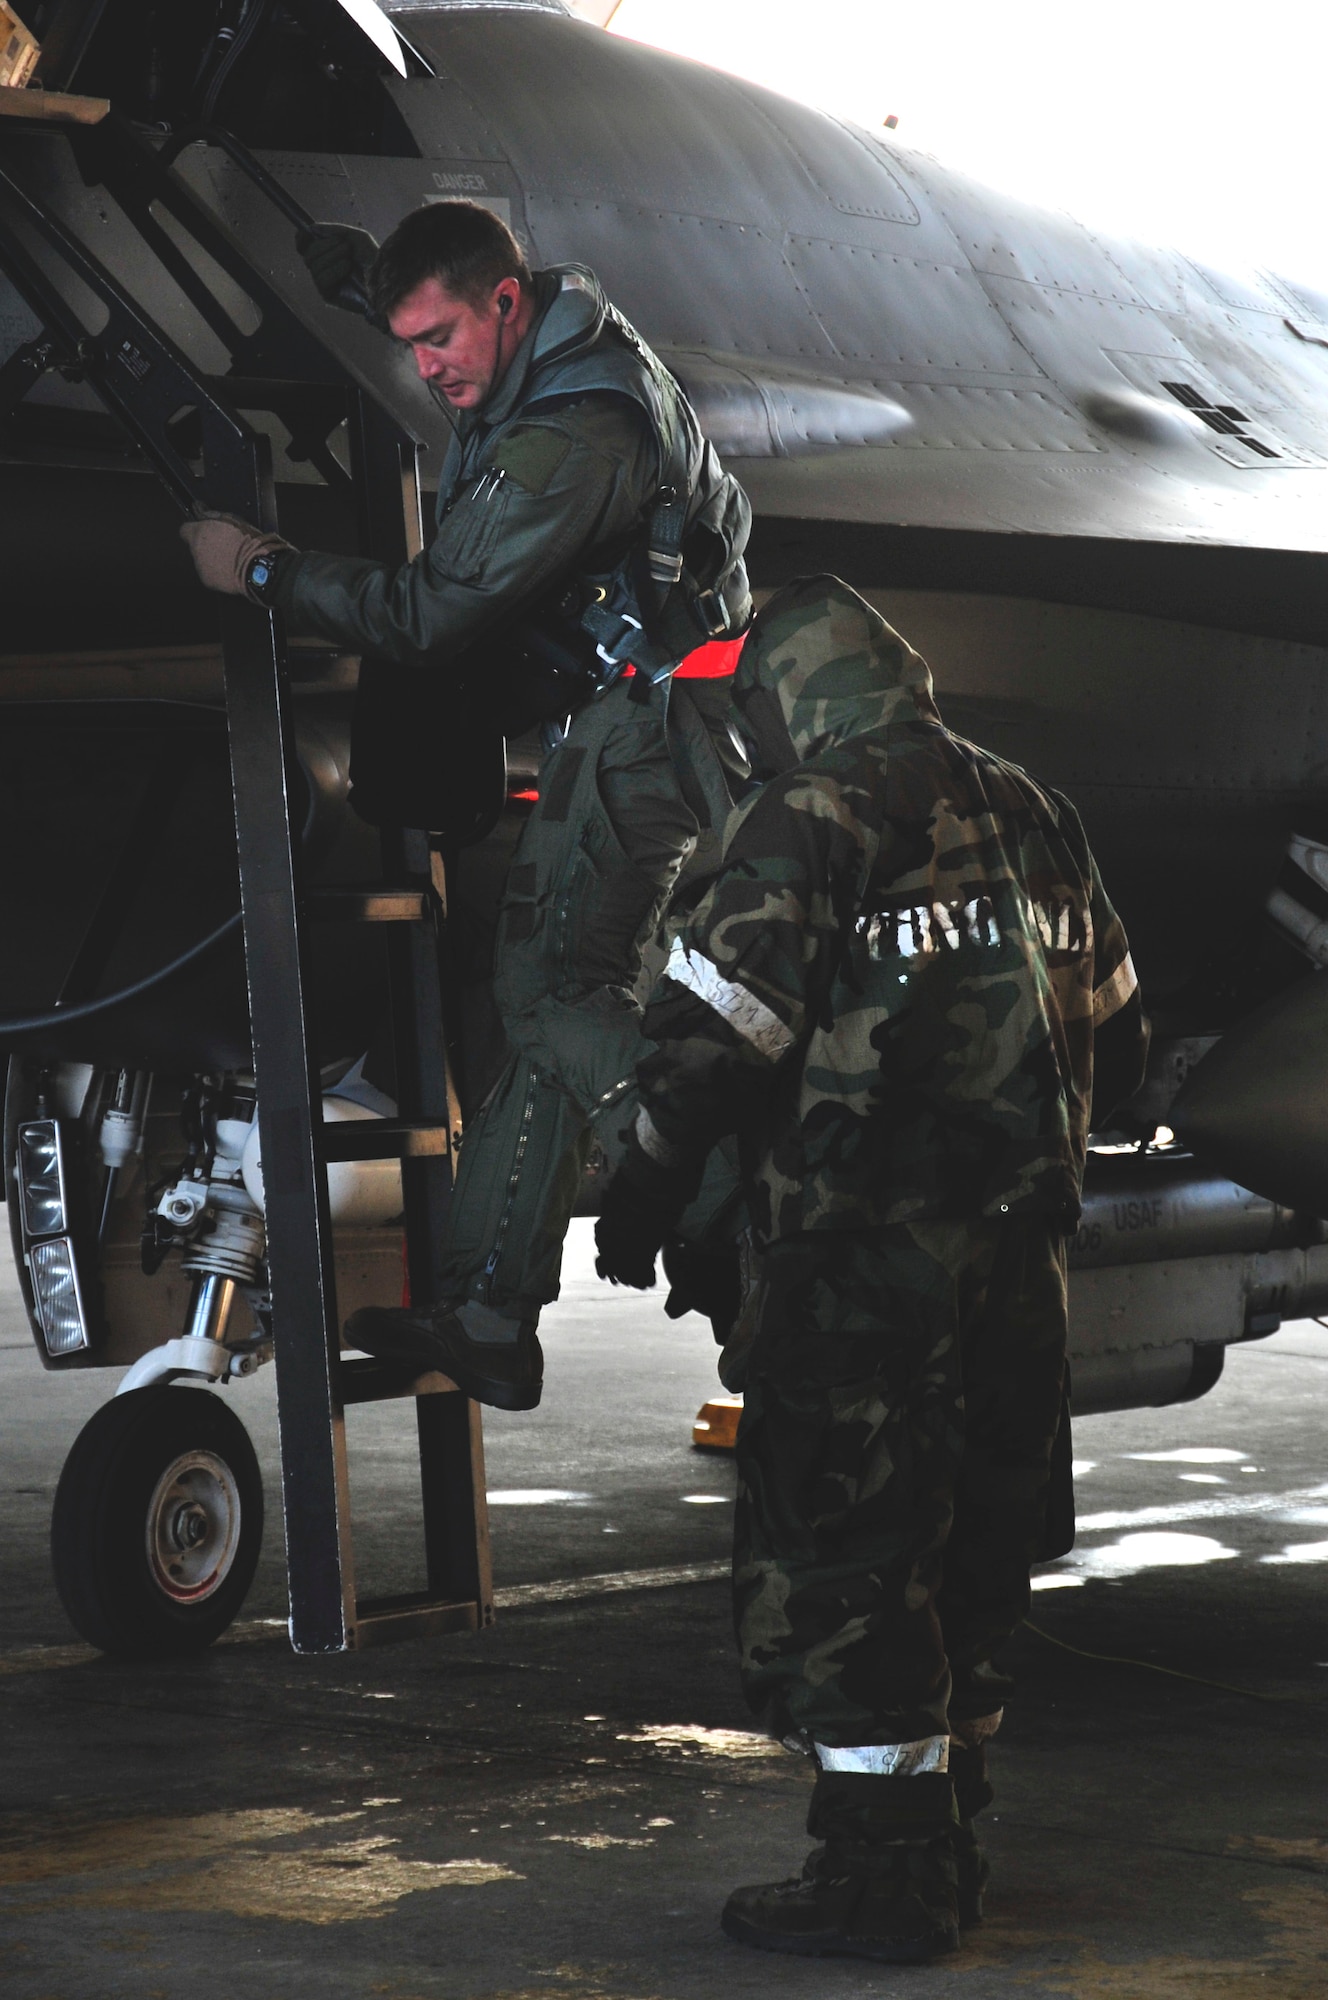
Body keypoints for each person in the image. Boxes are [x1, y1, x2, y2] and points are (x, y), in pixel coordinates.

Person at [593, 575, 1149, 1965]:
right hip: (1021, 1253)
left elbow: (718, 1040)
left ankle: (878, 1881)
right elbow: (1126, 1038)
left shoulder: (810, 816)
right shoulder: (1034, 809)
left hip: (859, 1263)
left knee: (846, 1553)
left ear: (793, 696)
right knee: (977, 1534)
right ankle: (947, 1839)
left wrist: (641, 1194)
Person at [180, 199, 751, 1413]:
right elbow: (441, 327)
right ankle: (490, 1307)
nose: (427, 369)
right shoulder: (541, 332)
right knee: (553, 992)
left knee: (552, 995)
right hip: (638, 718)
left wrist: (263, 569)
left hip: (652, 731)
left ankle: (738, 1195)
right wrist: (349, 283)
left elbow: (430, 613)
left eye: (440, 337)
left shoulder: (571, 437)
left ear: (504, 304)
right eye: (407, 344)